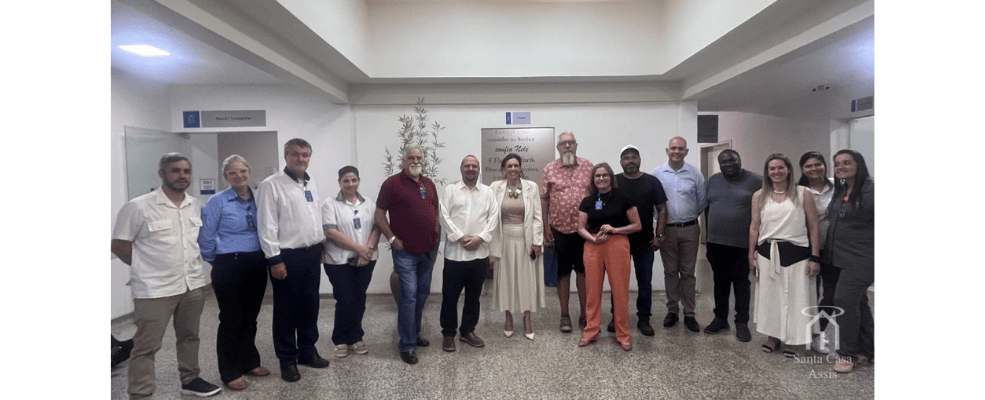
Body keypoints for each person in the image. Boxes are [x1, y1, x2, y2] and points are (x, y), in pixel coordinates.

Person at [111, 153, 222, 398]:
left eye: (186, 171)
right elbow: (119, 244)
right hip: (154, 290)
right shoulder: (138, 206)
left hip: (192, 285)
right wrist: (145, 267)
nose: (182, 175)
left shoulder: (195, 205)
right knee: (147, 345)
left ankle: (190, 379)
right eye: (175, 170)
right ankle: (141, 393)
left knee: (190, 337)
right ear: (162, 173)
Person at [257, 138, 329, 382]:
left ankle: (307, 351)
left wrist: (319, 247)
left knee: (310, 306)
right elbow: (266, 225)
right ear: (286, 155)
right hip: (286, 256)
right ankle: (287, 360)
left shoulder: (310, 181)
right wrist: (274, 259)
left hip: (311, 254)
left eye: (305, 155)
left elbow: (312, 218)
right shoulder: (271, 185)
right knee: (286, 310)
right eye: (296, 154)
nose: (301, 159)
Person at [199, 155, 270, 390]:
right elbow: (206, 236)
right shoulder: (217, 201)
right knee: (231, 318)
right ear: (225, 176)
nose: (239, 176)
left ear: (248, 171)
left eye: (242, 171)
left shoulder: (260, 197)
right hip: (228, 263)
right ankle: (229, 371)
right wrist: (219, 261)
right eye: (232, 172)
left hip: (256, 261)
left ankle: (249, 362)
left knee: (250, 317)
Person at [749, 153, 821, 357]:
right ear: (767, 172)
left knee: (796, 298)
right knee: (771, 298)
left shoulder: (803, 193)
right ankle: (773, 336)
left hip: (797, 254)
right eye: (772, 168)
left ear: (788, 169)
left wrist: (815, 257)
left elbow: (813, 225)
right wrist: (751, 255)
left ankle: (792, 339)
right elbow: (754, 226)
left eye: (780, 167)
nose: (776, 172)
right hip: (767, 254)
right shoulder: (759, 195)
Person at [375, 144, 441, 365]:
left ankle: (415, 333)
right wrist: (392, 239)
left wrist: (435, 235)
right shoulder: (392, 184)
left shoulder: (429, 184)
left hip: (427, 250)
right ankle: (407, 344)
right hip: (405, 253)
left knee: (422, 295)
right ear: (403, 161)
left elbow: (435, 211)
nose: (415, 161)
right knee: (409, 296)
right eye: (411, 158)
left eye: (419, 158)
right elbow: (379, 214)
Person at [577, 163, 641, 351]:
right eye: (597, 176)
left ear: (611, 177)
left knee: (620, 291)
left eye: (605, 175)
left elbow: (637, 225)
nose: (601, 179)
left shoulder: (624, 198)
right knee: (592, 291)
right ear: (593, 179)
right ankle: (591, 330)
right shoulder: (587, 201)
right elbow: (580, 228)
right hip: (593, 245)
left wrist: (615, 230)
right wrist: (593, 239)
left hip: (617, 244)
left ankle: (623, 334)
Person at [438, 155, 500, 352]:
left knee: (474, 298)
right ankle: (449, 334)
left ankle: (467, 331)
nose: (471, 169)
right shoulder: (450, 190)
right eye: (467, 166)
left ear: (479, 169)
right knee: (450, 297)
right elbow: (443, 215)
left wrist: (480, 238)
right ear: (461, 169)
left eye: (474, 166)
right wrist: (460, 237)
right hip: (454, 255)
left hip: (479, 255)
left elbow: (494, 218)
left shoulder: (488, 192)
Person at [321, 166, 381, 358]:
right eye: (345, 180)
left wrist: (367, 250)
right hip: (338, 261)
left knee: (359, 298)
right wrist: (359, 249)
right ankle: (340, 340)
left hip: (366, 259)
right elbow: (331, 232)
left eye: (354, 180)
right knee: (345, 299)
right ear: (339, 182)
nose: (350, 184)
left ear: (359, 181)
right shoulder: (330, 204)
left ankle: (356, 337)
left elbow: (377, 228)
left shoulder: (368, 203)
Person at [702, 150, 761, 342]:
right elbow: (708, 208)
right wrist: (709, 236)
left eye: (732, 160)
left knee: (741, 284)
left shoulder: (756, 181)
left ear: (739, 160)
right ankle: (720, 319)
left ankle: (742, 322)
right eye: (723, 162)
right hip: (716, 243)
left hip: (742, 244)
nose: (728, 164)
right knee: (720, 282)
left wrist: (756, 246)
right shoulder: (713, 180)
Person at [824, 150, 874, 373]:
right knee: (859, 304)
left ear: (858, 165)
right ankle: (867, 350)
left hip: (862, 259)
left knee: (843, 301)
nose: (841, 167)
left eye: (846, 163)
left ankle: (847, 354)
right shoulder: (842, 190)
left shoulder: (872, 191)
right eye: (837, 164)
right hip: (839, 257)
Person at [608, 145, 667, 336]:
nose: (630, 160)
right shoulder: (614, 181)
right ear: (621, 162)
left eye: (634, 157)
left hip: (645, 241)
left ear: (640, 160)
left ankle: (644, 318)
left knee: (645, 282)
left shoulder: (652, 181)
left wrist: (659, 236)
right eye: (626, 158)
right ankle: (616, 316)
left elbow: (662, 209)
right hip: (618, 241)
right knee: (618, 281)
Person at [540, 132, 594, 332]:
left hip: (584, 231)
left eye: (571, 143)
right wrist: (545, 226)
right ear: (558, 148)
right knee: (562, 274)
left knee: (583, 272)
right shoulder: (549, 169)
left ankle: (585, 313)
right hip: (559, 230)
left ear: (576, 146)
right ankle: (564, 315)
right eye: (564, 144)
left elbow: (596, 195)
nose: (568, 146)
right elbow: (544, 198)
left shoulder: (589, 167)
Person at [489, 153, 547, 340]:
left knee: (526, 280)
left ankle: (527, 318)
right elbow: (489, 214)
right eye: (509, 166)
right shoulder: (495, 187)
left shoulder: (531, 187)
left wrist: (537, 241)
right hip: (503, 240)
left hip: (526, 240)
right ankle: (508, 318)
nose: (513, 169)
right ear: (503, 170)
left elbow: (537, 217)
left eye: (516, 165)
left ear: (521, 169)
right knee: (505, 280)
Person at [652, 136, 706, 332]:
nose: (676, 151)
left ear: (686, 152)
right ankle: (672, 310)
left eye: (680, 148)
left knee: (688, 273)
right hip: (666, 230)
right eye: (673, 148)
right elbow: (654, 204)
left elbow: (701, 202)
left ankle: (690, 313)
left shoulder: (695, 174)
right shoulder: (657, 174)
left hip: (690, 229)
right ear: (667, 151)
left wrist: (687, 217)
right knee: (670, 272)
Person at [797, 151, 836, 353]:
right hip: (809, 250)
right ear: (802, 169)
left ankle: (817, 332)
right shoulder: (799, 192)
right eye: (808, 166)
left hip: (835, 249)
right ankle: (805, 333)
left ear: (824, 165)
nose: (814, 169)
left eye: (817, 164)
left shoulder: (837, 186)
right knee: (811, 294)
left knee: (831, 295)